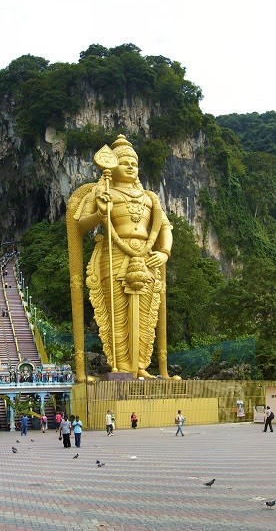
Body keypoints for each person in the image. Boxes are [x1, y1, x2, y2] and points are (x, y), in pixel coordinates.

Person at [68, 135, 173, 380]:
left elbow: (165, 227)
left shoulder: (150, 198)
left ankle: (140, 366)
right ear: (111, 166)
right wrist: (100, 214)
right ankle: (122, 366)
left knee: (146, 312)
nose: (129, 166)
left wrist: (164, 251)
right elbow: (80, 225)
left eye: (133, 163)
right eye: (123, 161)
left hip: (147, 256)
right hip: (113, 254)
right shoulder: (103, 192)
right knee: (116, 313)